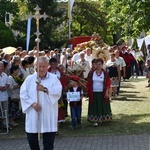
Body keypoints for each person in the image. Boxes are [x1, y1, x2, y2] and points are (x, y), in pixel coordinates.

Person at [20, 56, 62, 150]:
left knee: (48, 144)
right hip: (33, 114)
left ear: (48, 66)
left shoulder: (53, 78)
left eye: (44, 66)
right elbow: (23, 94)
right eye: (39, 66)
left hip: (48, 114)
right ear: (35, 67)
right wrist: (32, 103)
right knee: (32, 140)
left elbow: (58, 92)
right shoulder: (30, 79)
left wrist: (45, 89)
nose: (41, 69)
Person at [87, 58, 112, 127]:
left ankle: (103, 119)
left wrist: (107, 92)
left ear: (102, 65)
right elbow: (88, 82)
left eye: (100, 64)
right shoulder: (92, 73)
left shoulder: (105, 73)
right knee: (95, 106)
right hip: (94, 93)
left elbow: (107, 83)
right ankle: (95, 120)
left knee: (102, 105)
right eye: (97, 64)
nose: (98, 66)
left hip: (102, 92)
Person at [0, 61, 10, 128]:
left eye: (3, 66)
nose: (3, 67)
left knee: (5, 111)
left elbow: (8, 83)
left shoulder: (5, 75)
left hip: (5, 96)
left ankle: (6, 125)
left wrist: (5, 87)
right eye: (1, 66)